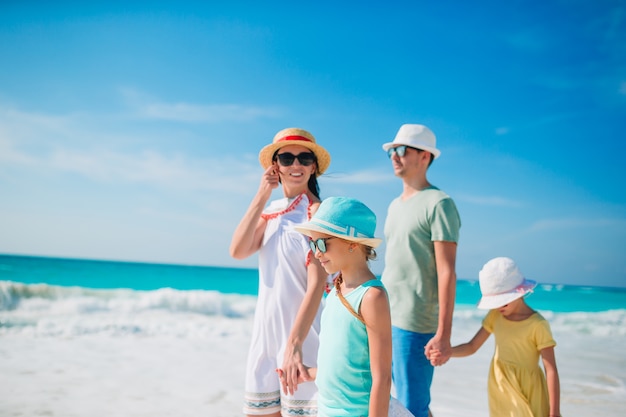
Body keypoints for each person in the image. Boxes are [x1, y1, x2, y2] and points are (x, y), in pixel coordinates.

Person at [278, 196, 413, 417]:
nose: (316, 252)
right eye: (313, 244)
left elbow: (382, 377)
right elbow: (346, 359)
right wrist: (311, 373)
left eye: (322, 243)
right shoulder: (335, 292)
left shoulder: (371, 297)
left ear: (352, 243)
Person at [229, 127, 331, 417]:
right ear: (275, 166)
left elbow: (316, 285)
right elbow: (237, 251)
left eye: (304, 158)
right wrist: (262, 193)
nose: (295, 165)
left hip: (304, 341)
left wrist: (294, 345)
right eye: (286, 158)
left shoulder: (320, 215)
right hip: (265, 340)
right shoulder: (272, 210)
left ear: (314, 166)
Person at [380, 124, 461, 417]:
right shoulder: (393, 205)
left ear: (425, 156)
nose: (394, 156)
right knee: (381, 401)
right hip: (382, 315)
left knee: (412, 408)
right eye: (392, 151)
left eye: (402, 150)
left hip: (415, 325)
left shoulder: (440, 204)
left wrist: (444, 334)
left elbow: (447, 272)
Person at [440, 257, 561, 417]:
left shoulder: (537, 325)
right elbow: (472, 346)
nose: (498, 307)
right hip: (500, 384)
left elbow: (550, 369)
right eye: (494, 303)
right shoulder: (495, 316)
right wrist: (448, 352)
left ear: (519, 293)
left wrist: (554, 411)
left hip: (528, 388)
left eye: (503, 302)